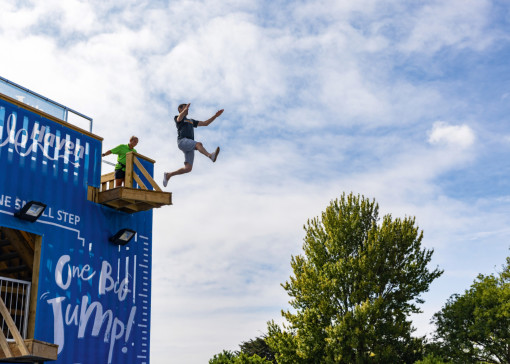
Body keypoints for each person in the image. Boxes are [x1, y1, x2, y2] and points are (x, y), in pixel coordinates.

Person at [163, 103, 223, 187]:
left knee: (188, 168)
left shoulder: (191, 121)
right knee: (198, 144)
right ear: (180, 109)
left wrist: (215, 116)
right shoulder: (177, 117)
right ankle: (210, 155)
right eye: (184, 108)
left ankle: (168, 175)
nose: (187, 109)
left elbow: (205, 123)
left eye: (187, 108)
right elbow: (180, 117)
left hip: (189, 144)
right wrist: (185, 110)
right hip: (182, 141)